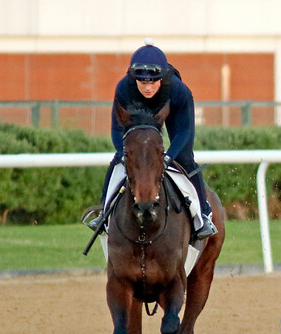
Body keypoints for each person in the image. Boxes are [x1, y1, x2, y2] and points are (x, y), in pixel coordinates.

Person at [88, 38, 217, 239]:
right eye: (142, 82)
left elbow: (183, 132)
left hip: (172, 111)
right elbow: (116, 131)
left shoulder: (178, 90)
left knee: (184, 159)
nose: (148, 88)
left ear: (162, 79)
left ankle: (204, 215)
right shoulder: (123, 88)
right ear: (134, 79)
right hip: (138, 115)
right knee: (118, 161)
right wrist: (124, 155)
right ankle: (104, 212)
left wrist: (168, 157)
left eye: (153, 82)